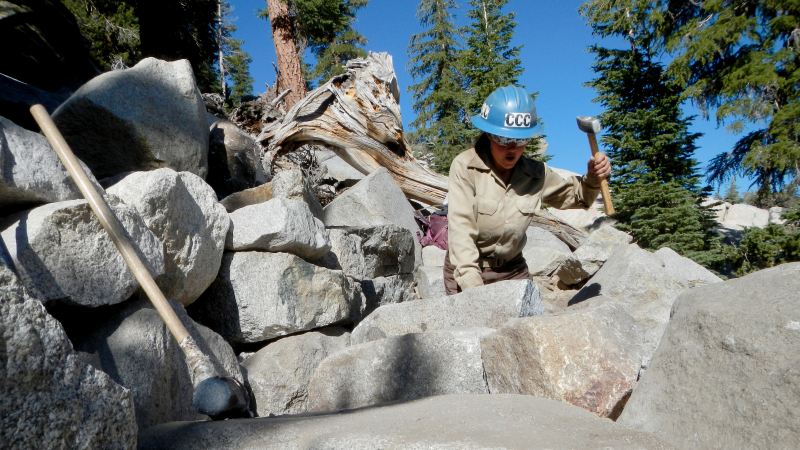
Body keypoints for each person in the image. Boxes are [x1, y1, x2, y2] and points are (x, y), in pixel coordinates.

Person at [444, 85, 611, 295]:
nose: (512, 147)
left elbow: (579, 198)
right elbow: (461, 232)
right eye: (504, 139)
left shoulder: (537, 174)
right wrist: (474, 292)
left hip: (512, 270)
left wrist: (594, 177)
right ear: (488, 134)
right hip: (467, 268)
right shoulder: (465, 167)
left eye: (521, 139)